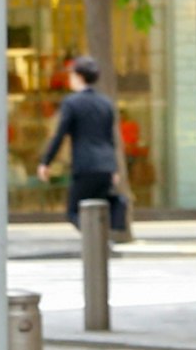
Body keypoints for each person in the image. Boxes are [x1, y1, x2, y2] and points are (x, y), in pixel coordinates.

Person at [38, 57, 130, 239]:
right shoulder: (106, 103)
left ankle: (96, 243)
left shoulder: (72, 103)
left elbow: (60, 135)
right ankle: (102, 242)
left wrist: (45, 162)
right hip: (106, 166)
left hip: (85, 165)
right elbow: (110, 138)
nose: (70, 78)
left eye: (71, 74)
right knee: (99, 210)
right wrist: (115, 168)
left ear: (79, 76)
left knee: (73, 212)